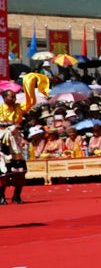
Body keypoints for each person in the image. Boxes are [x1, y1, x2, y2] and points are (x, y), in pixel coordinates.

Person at [0, 73, 49, 204]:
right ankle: (1, 196)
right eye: (12, 97)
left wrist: (30, 85)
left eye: (15, 97)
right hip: (2, 141)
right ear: (4, 98)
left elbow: (31, 102)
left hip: (15, 140)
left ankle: (17, 195)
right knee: (3, 170)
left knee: (20, 171)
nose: (14, 99)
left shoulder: (18, 108)